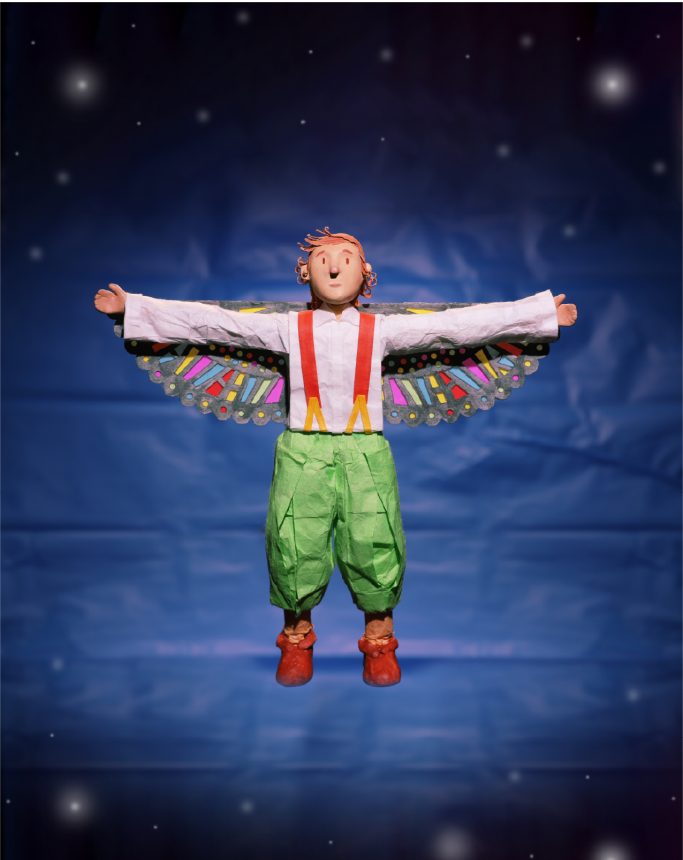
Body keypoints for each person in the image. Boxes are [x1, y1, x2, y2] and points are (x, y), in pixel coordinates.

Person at [94, 227, 578, 687]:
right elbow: (216, 324)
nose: (333, 266)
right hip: (303, 447)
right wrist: (133, 308)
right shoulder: (287, 328)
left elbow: (457, 327)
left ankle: (379, 641)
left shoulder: (382, 330)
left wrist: (538, 315)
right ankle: (297, 638)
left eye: (346, 258)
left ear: (365, 273)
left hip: (365, 447)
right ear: (305, 272)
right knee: (293, 538)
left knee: (375, 536)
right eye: (322, 258)